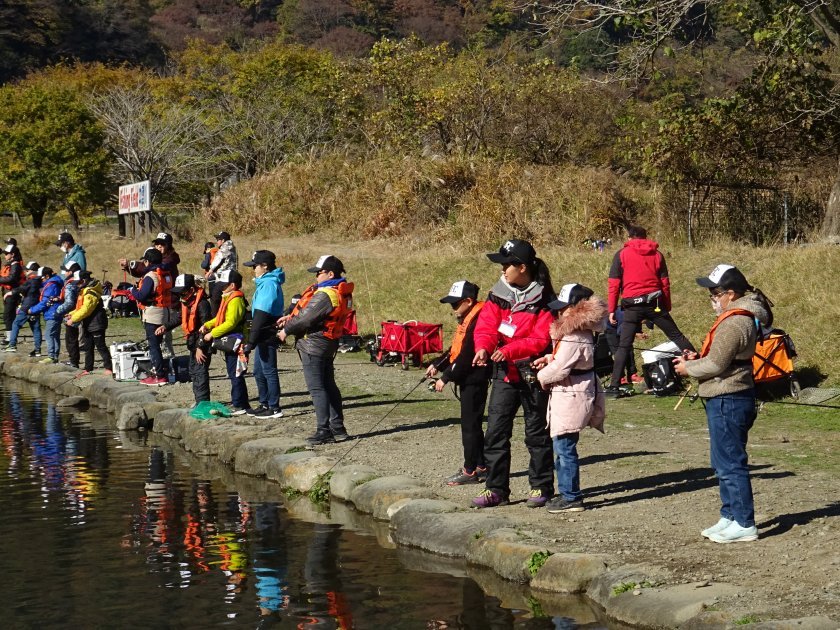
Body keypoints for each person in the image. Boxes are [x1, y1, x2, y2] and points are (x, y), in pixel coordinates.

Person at [674, 264, 773, 544]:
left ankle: (744, 522)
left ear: (730, 293)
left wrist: (687, 368)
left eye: (714, 293)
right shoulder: (736, 318)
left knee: (731, 463)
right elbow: (718, 358)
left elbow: (717, 363)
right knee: (721, 462)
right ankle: (729, 515)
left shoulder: (735, 321)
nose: (712, 299)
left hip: (729, 397)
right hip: (724, 396)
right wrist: (695, 360)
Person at [470, 239, 555, 508]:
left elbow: (540, 340)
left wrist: (509, 351)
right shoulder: (497, 294)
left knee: (536, 434)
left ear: (522, 267)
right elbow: (486, 326)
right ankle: (495, 490)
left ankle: (540, 487)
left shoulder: (545, 300)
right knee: (495, 432)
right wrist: (483, 348)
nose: (502, 270)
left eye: (506, 265)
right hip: (504, 374)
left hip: (532, 374)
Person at [534, 283, 607, 513]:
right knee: (562, 445)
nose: (559, 312)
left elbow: (562, 369)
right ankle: (567, 493)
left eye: (564, 308)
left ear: (577, 309)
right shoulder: (577, 333)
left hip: (572, 394)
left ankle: (572, 497)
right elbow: (565, 359)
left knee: (565, 448)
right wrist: (549, 358)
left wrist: (540, 376)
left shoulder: (576, 334)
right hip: (571, 392)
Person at [605, 225, 695, 397]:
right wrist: (667, 305)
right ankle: (698, 366)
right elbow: (665, 283)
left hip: (631, 307)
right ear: (646, 237)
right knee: (677, 336)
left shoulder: (621, 254)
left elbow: (614, 284)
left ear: (629, 237)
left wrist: (611, 309)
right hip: (655, 304)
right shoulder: (657, 254)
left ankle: (614, 385)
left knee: (624, 345)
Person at [278, 255, 353, 445]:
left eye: (318, 273)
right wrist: (290, 318)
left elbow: (306, 319)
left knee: (317, 388)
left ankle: (323, 430)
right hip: (328, 344)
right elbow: (310, 315)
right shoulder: (339, 292)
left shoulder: (325, 294)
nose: (316, 277)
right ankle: (338, 429)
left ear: (330, 273)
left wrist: (285, 331)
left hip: (314, 345)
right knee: (329, 386)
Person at [426, 280, 491, 485]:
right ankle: (481, 465)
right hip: (468, 378)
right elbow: (456, 350)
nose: (453, 308)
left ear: (469, 301)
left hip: (475, 378)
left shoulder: (479, 319)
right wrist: (438, 364)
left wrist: (445, 378)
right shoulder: (467, 318)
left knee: (470, 427)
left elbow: (467, 355)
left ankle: (470, 470)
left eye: (455, 304)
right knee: (472, 424)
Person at [200, 270, 250, 415]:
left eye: (224, 285)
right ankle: (242, 402)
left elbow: (231, 323)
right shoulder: (228, 297)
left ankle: (239, 405)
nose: (221, 288)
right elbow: (221, 318)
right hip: (230, 342)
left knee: (236, 373)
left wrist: (212, 334)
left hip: (236, 342)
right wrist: (208, 325)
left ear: (232, 285)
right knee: (233, 372)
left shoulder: (235, 300)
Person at [243, 250, 285, 419]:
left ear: (265, 266)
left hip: (266, 332)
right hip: (260, 332)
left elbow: (261, 314)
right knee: (258, 372)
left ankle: (274, 407)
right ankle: (264, 403)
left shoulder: (269, 284)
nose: (253, 269)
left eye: (255, 266)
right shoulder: (264, 283)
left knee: (269, 370)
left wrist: (250, 341)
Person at [164, 274, 213, 405]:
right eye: (178, 293)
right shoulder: (188, 302)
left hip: (202, 346)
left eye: (182, 292)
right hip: (193, 344)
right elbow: (180, 317)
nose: (180, 296)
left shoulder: (202, 304)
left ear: (191, 290)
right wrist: (165, 327)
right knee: (193, 371)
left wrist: (200, 348)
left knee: (200, 372)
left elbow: (206, 327)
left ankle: (203, 403)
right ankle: (199, 401)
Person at [129, 248, 175, 386]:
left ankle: (159, 376)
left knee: (153, 346)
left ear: (147, 261)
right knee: (160, 345)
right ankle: (164, 372)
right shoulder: (166, 273)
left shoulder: (150, 276)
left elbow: (141, 296)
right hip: (165, 312)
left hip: (154, 314)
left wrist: (132, 290)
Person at [66, 271, 112, 376]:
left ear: (84, 280)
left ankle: (109, 367)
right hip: (88, 323)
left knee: (101, 346)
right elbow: (81, 308)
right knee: (88, 347)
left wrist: (73, 320)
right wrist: (71, 314)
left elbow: (86, 309)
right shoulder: (84, 290)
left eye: (78, 282)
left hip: (97, 323)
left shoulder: (90, 292)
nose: (77, 285)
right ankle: (88, 368)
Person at [4, 261, 42, 356]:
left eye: (27, 270)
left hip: (26, 307)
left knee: (16, 324)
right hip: (36, 307)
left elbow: (21, 289)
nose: (25, 271)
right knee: (36, 328)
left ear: (33, 271)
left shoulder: (31, 281)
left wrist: (10, 293)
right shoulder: (41, 281)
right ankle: (38, 350)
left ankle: (12, 345)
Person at [29, 266, 64, 364]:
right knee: (55, 335)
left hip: (52, 313)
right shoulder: (54, 283)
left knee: (49, 335)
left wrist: (32, 310)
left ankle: (51, 356)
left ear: (47, 276)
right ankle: (55, 356)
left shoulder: (51, 285)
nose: (41, 280)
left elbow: (45, 302)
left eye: (42, 278)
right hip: (54, 313)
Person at [55, 262, 83, 368]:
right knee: (74, 338)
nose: (64, 273)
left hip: (71, 315)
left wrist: (58, 311)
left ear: (70, 272)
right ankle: (74, 360)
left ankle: (74, 362)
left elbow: (69, 302)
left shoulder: (70, 284)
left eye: (65, 271)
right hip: (79, 312)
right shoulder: (79, 282)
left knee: (70, 339)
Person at [206, 231, 238, 314]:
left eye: (218, 239)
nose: (217, 242)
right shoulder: (232, 247)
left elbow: (218, 260)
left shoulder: (225, 248)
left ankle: (216, 318)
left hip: (223, 278)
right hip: (231, 276)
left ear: (223, 240)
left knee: (215, 299)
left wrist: (210, 270)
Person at [0, 244, 24, 346]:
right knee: (8, 315)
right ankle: (10, 337)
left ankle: (11, 338)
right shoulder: (10, 264)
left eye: (6, 253)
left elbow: (12, 278)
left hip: (13, 293)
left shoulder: (16, 265)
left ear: (12, 254)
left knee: (8, 315)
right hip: (7, 292)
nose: (4, 255)